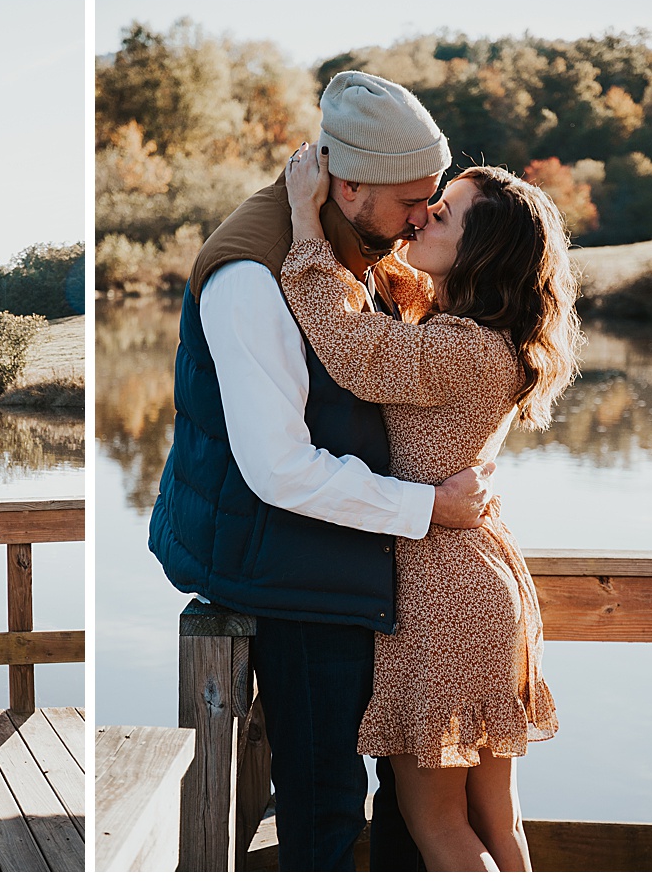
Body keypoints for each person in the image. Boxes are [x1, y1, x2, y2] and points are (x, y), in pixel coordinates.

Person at [148, 71, 493, 871]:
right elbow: (277, 469)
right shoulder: (249, 276)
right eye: (411, 199)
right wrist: (428, 508)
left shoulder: (356, 234)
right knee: (324, 805)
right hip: (284, 568)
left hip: (351, 556)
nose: (423, 216)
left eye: (432, 197)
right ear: (347, 183)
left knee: (411, 799)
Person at [281, 143, 579, 871]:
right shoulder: (489, 340)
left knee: (438, 825)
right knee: (497, 820)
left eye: (441, 212)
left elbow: (349, 345)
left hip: (443, 595)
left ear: (481, 248)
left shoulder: (458, 349)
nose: (422, 215)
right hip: (486, 586)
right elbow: (391, 299)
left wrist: (303, 222)